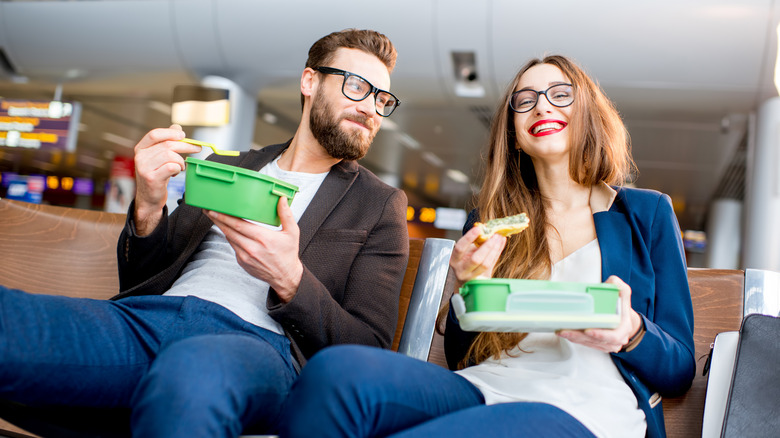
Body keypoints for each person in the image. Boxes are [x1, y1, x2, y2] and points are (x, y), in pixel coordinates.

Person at [0, 28, 409, 437]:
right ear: (309, 82)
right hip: (147, 322)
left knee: (192, 374)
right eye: (357, 87)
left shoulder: (379, 204)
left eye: (382, 99)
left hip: (257, 346)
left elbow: (367, 348)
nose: (372, 108)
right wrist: (147, 204)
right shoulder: (226, 166)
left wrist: (290, 279)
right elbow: (144, 278)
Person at [278, 55, 695, 438]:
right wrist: (466, 285)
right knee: (336, 373)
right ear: (513, 136)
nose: (542, 107)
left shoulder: (646, 213)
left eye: (561, 95)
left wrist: (631, 332)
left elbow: (679, 367)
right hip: (484, 390)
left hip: (584, 409)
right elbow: (463, 359)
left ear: (588, 114)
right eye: (525, 101)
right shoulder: (490, 223)